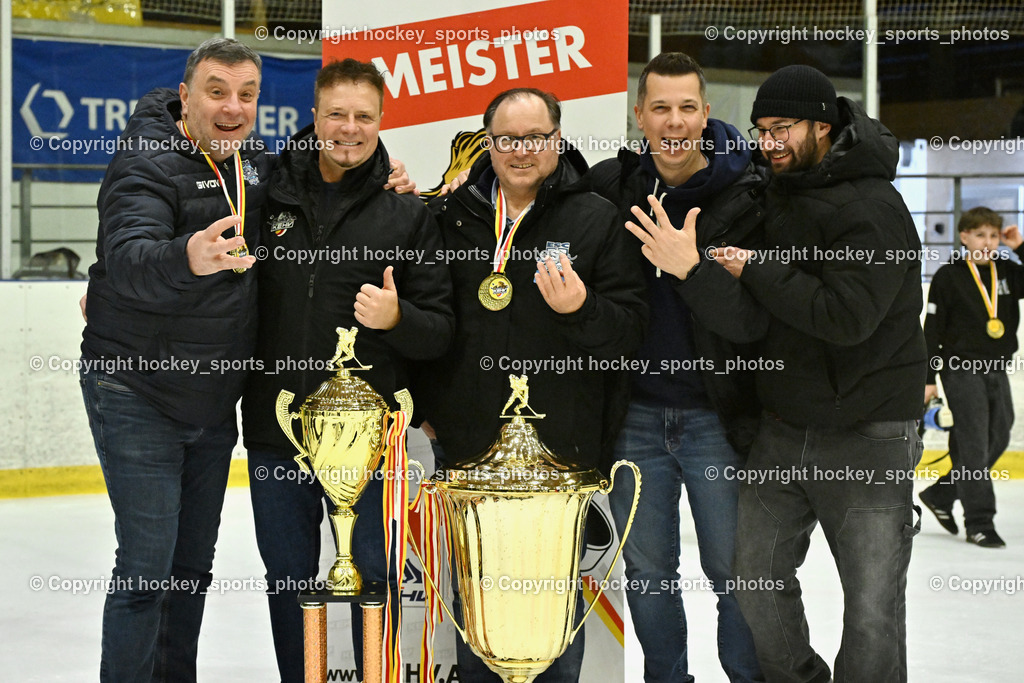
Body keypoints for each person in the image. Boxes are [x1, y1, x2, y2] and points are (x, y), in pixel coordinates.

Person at [417, 87, 647, 681]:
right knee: (478, 608)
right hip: (470, 448)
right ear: (487, 142)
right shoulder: (451, 216)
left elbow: (628, 333)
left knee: (551, 613)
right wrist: (429, 408)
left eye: (536, 137)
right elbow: (430, 320)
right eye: (508, 139)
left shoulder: (597, 218)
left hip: (558, 452)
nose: (522, 151)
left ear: (557, 137)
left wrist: (581, 308)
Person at [240, 58, 454, 683]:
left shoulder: (407, 212)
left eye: (364, 117)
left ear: (382, 120)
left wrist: (397, 319)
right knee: (287, 575)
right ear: (314, 116)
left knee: (375, 577)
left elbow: (439, 326)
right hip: (275, 427)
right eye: (337, 114)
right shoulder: (266, 187)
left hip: (368, 442)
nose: (350, 129)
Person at [713, 65, 927, 682]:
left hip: (869, 434)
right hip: (782, 428)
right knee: (753, 582)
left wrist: (757, 268)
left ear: (824, 127)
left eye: (782, 128)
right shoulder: (776, 191)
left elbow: (846, 316)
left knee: (870, 612)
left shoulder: (874, 208)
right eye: (761, 130)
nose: (769, 141)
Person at [79, 38, 270, 682]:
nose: (231, 108)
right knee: (146, 565)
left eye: (246, 95)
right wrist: (185, 255)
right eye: (216, 91)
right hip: (136, 391)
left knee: (190, 569)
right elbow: (129, 256)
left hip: (212, 403)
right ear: (185, 96)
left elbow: (325, 198)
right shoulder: (146, 163)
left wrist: (389, 178)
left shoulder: (257, 168)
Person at [586, 52, 765, 683]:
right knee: (649, 575)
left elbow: (755, 323)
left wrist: (694, 269)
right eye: (660, 107)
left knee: (734, 573)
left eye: (687, 107)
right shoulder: (612, 187)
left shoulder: (750, 193)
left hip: (718, 418)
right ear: (639, 115)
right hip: (635, 418)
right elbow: (528, 182)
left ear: (707, 114)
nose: (674, 121)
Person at [919, 206, 1024, 548]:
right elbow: (931, 329)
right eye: (980, 234)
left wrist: (1020, 246)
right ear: (964, 236)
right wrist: (928, 377)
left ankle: (940, 493)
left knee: (998, 437)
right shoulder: (949, 276)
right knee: (975, 445)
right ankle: (980, 522)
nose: (988, 242)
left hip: (997, 367)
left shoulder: (1007, 270)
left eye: (994, 236)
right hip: (960, 368)